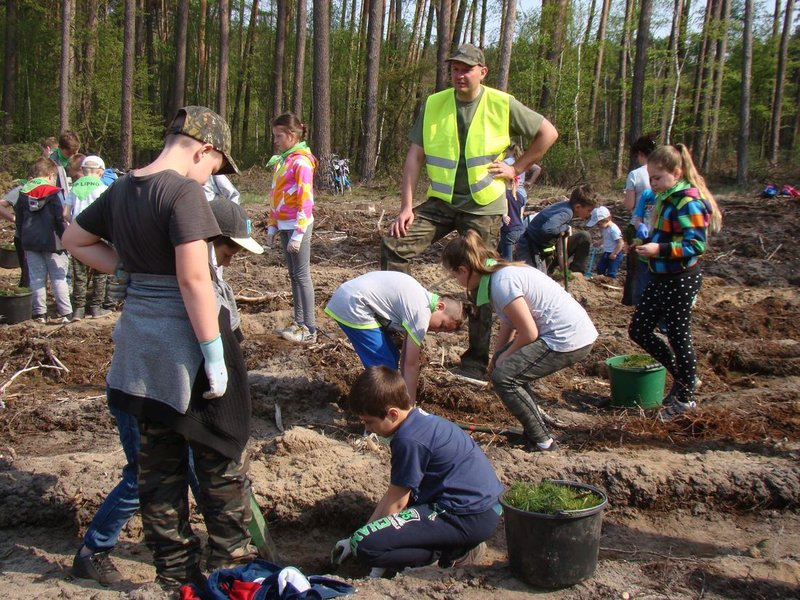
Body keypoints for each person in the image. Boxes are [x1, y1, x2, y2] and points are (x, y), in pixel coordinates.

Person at [63, 105, 257, 590]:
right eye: (216, 166)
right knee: (219, 460)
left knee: (158, 475)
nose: (212, 177)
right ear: (204, 150)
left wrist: (126, 267)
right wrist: (214, 353)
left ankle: (176, 581)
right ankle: (231, 577)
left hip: (139, 349)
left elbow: (74, 240)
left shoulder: (123, 188)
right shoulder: (183, 192)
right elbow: (194, 279)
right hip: (187, 343)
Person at [381, 43, 559, 379]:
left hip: (483, 206)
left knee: (482, 278)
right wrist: (406, 207)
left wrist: (516, 168)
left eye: (466, 69)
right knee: (394, 245)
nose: (459, 75)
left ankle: (475, 359)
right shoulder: (434, 104)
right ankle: (401, 326)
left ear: (482, 72)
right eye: (455, 69)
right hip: (442, 201)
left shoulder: (501, 103)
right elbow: (415, 157)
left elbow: (548, 133)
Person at [332, 366, 503, 576]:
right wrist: (356, 536)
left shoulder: (408, 440)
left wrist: (370, 558)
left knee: (367, 547)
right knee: (365, 537)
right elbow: (395, 494)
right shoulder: (419, 421)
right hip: (483, 508)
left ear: (392, 414)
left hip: (467, 515)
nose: (367, 429)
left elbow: (397, 503)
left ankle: (452, 553)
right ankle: (454, 544)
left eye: (369, 422)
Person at [442, 231, 598, 451]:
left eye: (454, 276)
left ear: (464, 270)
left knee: (505, 378)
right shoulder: (497, 275)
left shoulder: (502, 283)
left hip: (567, 337)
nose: (456, 282)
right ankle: (534, 430)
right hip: (561, 333)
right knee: (508, 368)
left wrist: (504, 358)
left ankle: (543, 441)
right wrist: (497, 356)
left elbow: (529, 333)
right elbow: (511, 323)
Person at [628, 143, 721, 422]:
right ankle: (685, 377)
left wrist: (659, 249)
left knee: (679, 336)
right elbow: (667, 235)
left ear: (676, 173)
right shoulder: (667, 198)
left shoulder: (688, 202)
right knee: (639, 329)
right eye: (650, 178)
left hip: (680, 278)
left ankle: (686, 398)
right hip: (660, 276)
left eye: (657, 178)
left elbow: (695, 245)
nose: (652, 183)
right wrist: (646, 242)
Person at [324, 271, 465, 403]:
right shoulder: (421, 313)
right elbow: (411, 365)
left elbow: (405, 358)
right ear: (440, 306)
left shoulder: (420, 300)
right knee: (384, 368)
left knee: (392, 356)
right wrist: (410, 407)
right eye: (442, 325)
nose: (437, 332)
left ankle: (384, 404)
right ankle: (376, 411)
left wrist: (403, 397)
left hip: (350, 297)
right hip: (353, 304)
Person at [265, 111, 318, 344]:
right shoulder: (283, 161)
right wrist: (272, 225)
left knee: (302, 276)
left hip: (299, 227)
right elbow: (275, 195)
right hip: (285, 225)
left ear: (292, 135)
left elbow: (306, 200)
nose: (275, 140)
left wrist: (298, 233)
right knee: (293, 276)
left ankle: (310, 328)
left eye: (279, 136)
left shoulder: (301, 162)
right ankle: (298, 322)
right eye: (274, 136)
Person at [15, 158, 72, 323]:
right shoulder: (54, 193)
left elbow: (19, 220)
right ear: (50, 175)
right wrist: (65, 238)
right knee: (58, 277)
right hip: (53, 242)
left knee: (36, 278)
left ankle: (39, 313)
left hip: (30, 242)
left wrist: (23, 239)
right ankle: (66, 313)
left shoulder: (23, 192)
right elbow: (60, 218)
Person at [516, 184, 596, 275]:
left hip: (541, 248)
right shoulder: (566, 213)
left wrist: (564, 270)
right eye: (589, 210)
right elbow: (547, 229)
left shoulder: (566, 207)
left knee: (543, 277)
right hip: (529, 247)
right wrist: (565, 228)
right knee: (534, 277)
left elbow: (561, 248)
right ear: (577, 207)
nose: (589, 214)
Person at [68, 155, 110, 320]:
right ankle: (95, 308)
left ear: (83, 170)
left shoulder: (74, 188)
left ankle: (78, 310)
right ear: (101, 172)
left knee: (80, 275)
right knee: (100, 272)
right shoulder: (103, 189)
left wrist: (74, 225)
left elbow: (65, 213)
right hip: (99, 234)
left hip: (79, 235)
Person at [622, 133, 658, 306]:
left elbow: (630, 205)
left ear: (640, 154)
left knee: (635, 266)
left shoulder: (635, 174)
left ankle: (632, 301)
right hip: (658, 227)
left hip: (638, 225)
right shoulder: (663, 172)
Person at [496, 144, 527, 260]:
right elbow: (521, 215)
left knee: (507, 257)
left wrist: (504, 216)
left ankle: (499, 266)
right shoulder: (521, 197)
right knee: (500, 250)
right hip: (520, 229)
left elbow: (505, 207)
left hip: (509, 230)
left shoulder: (505, 195)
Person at [0, 183, 30, 288]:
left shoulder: (50, 190)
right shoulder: (21, 189)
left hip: (39, 238)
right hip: (23, 237)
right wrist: (15, 219)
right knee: (28, 274)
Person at [586, 206, 624, 278]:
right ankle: (600, 281)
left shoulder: (614, 230)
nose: (598, 226)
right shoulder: (605, 228)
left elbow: (621, 243)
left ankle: (610, 282)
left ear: (607, 219)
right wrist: (599, 242)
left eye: (599, 224)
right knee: (600, 268)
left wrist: (614, 253)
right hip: (606, 252)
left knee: (611, 272)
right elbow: (606, 237)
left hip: (615, 254)